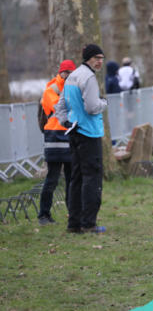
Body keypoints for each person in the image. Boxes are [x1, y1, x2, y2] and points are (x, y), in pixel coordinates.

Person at [55, 44, 108, 234]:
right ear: (88, 59)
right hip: (89, 133)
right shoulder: (89, 77)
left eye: (102, 58)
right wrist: (104, 102)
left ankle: (74, 223)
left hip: (75, 132)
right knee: (91, 178)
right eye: (96, 58)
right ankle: (89, 223)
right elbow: (93, 107)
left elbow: (59, 106)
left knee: (76, 178)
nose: (100, 61)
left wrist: (66, 123)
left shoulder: (71, 77)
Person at [38, 59, 76, 226]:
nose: (67, 75)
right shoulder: (51, 89)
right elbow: (61, 109)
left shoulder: (73, 88)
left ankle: (73, 213)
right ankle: (43, 215)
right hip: (55, 136)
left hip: (69, 136)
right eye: (65, 72)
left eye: (70, 73)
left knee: (71, 178)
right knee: (52, 178)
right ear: (60, 73)